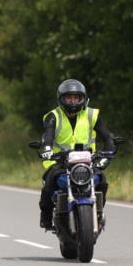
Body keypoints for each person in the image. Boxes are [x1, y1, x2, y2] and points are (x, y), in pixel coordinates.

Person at [38, 79, 115, 230]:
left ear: (82, 98)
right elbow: (47, 137)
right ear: (61, 99)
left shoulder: (91, 114)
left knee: (102, 181)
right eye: (69, 97)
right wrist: (46, 150)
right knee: (49, 182)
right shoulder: (53, 116)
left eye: (76, 97)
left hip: (87, 161)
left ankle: (98, 213)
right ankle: (45, 216)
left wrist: (107, 155)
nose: (73, 101)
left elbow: (108, 138)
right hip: (60, 161)